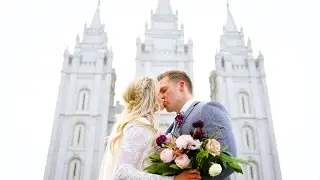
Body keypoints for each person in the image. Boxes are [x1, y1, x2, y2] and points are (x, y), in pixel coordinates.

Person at [97, 76, 201, 180]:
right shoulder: (137, 127)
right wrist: (173, 179)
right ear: (150, 96)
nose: (163, 96)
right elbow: (122, 171)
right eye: (159, 92)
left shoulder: (144, 126)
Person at [157, 70, 237, 180]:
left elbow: (228, 160)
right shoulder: (171, 127)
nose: (161, 97)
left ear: (181, 86)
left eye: (164, 90)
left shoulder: (207, 108)